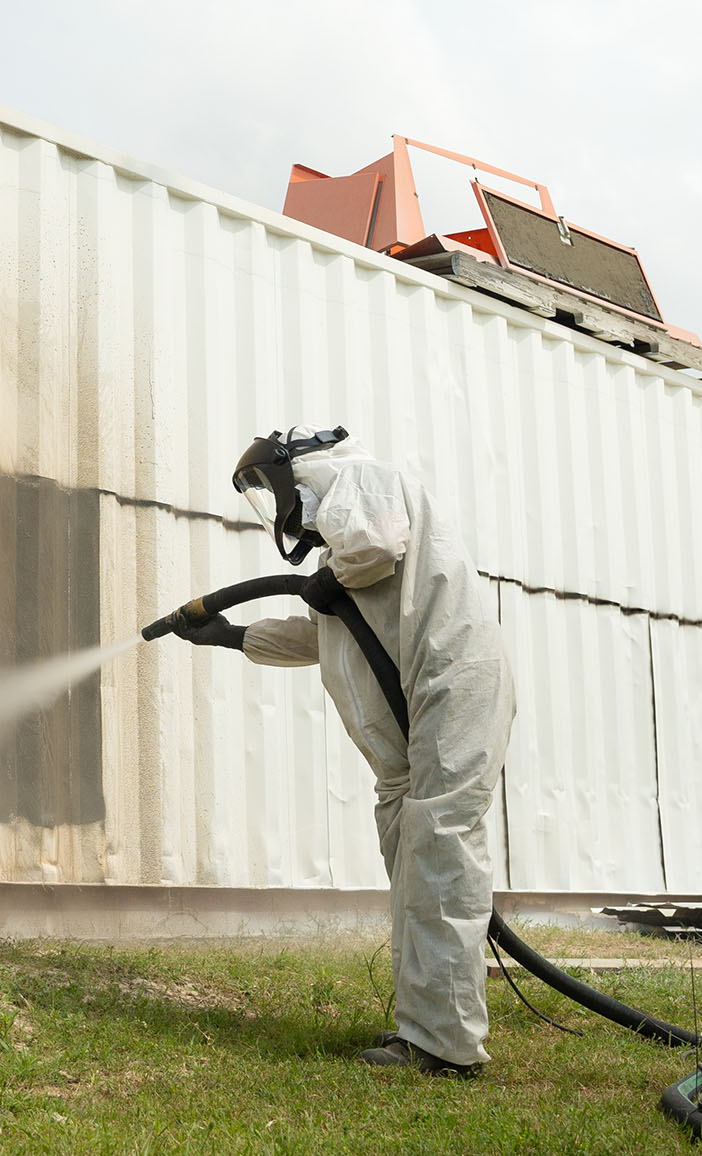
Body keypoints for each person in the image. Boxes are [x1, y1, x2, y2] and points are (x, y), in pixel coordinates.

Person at [178, 425, 516, 1077]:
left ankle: (444, 1047)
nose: (270, 503)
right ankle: (427, 1020)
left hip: (451, 678)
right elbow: (324, 633)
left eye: (263, 487)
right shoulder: (346, 540)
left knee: (438, 845)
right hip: (421, 697)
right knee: (411, 845)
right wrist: (232, 636)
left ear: (287, 470)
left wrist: (331, 580)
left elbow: (374, 548)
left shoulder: (354, 480)